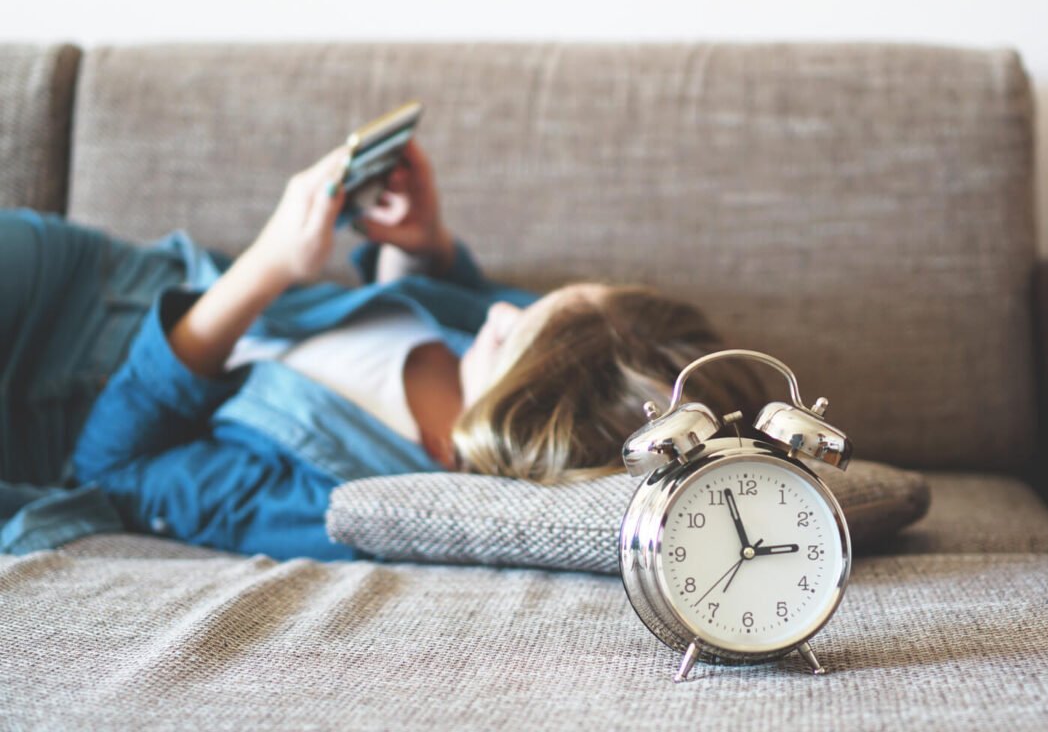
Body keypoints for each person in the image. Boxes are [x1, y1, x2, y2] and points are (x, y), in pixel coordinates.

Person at [0, 140, 767, 560]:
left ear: (530, 412)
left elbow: (120, 469)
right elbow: (427, 325)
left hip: (43, 395)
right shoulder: (513, 361)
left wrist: (265, 268)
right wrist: (421, 246)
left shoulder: (347, 502)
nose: (499, 307)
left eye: (515, 331)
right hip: (103, 279)